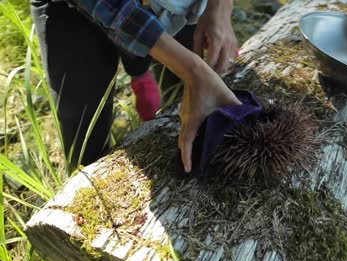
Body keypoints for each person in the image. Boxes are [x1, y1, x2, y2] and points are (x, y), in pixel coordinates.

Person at [30, 0, 241, 174]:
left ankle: (141, 73)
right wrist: (194, 70)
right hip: (73, 10)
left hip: (174, 6)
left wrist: (220, 6)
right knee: (84, 131)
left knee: (186, 93)